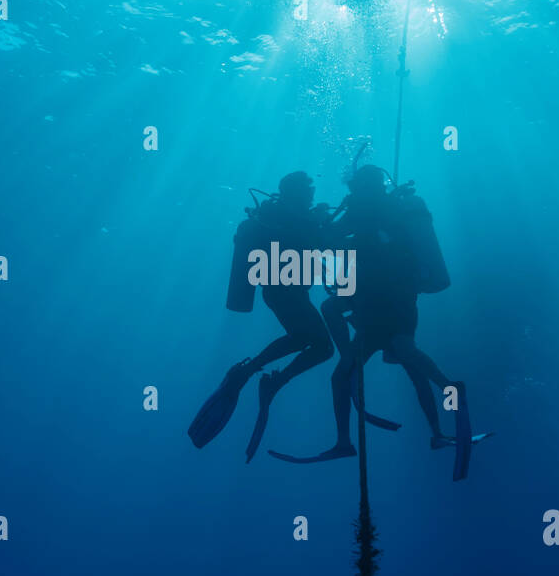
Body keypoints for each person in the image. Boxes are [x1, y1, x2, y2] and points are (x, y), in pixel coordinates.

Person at [269, 165, 490, 479]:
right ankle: (440, 418)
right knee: (408, 358)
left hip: (373, 307)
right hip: (399, 302)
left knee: (351, 365)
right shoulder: (395, 207)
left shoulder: (361, 208)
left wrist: (317, 219)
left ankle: (347, 438)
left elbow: (329, 239)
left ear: (360, 185)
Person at [187, 172, 334, 461]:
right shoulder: (287, 215)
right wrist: (320, 221)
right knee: (322, 346)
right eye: (308, 190)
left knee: (304, 339)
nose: (311, 195)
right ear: (295, 191)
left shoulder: (283, 214)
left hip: (284, 291)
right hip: (285, 292)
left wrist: (318, 221)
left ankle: (251, 373)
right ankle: (265, 378)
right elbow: (310, 239)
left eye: (311, 190)